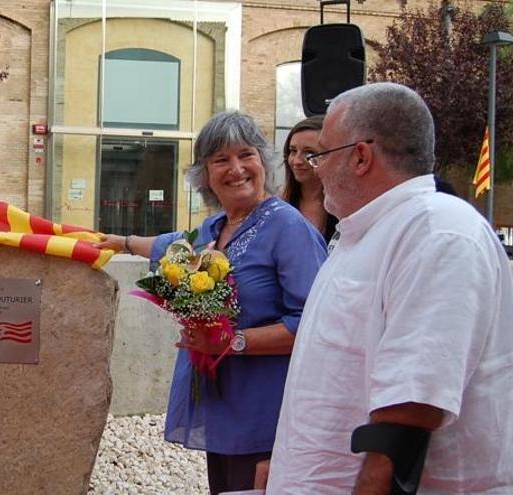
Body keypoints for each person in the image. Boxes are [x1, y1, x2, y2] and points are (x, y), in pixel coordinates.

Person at [266, 82, 513, 493]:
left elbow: (413, 407)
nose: (315, 168)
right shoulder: (365, 232)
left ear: (361, 156)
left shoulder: (437, 232)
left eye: (320, 155)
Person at [97, 111, 326, 493]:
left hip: (264, 413)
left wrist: (232, 342)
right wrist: (118, 242)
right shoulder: (216, 226)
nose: (236, 169)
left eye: (246, 155)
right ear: (204, 175)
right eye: (221, 160)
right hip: (222, 407)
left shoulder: (287, 227)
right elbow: (171, 246)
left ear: (263, 161)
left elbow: (315, 324)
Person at [280, 115, 338, 243]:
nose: (296, 161)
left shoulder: (345, 206)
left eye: (309, 152)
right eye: (293, 151)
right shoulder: (278, 204)